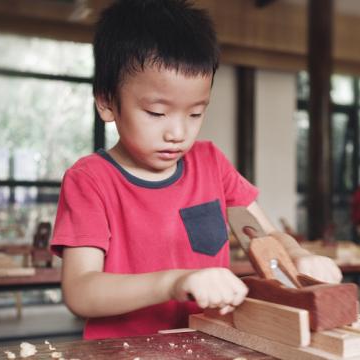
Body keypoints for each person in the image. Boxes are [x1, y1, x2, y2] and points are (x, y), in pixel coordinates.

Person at [50, 0, 341, 340]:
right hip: (123, 350)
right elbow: (81, 291)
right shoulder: (90, 180)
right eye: (157, 113)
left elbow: (265, 236)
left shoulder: (211, 164)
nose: (178, 133)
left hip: (210, 343)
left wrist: (298, 256)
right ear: (107, 102)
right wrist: (174, 283)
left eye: (195, 113)